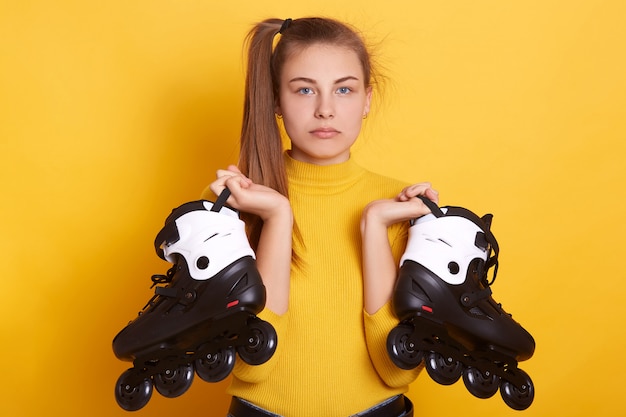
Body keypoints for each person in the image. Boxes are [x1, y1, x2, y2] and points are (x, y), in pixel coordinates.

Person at [204, 17, 439, 417]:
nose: (325, 110)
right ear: (276, 99)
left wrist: (375, 227)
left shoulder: (404, 207)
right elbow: (250, 365)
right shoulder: (236, 203)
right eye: (305, 90)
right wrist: (278, 217)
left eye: (344, 89)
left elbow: (396, 372)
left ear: (366, 99)